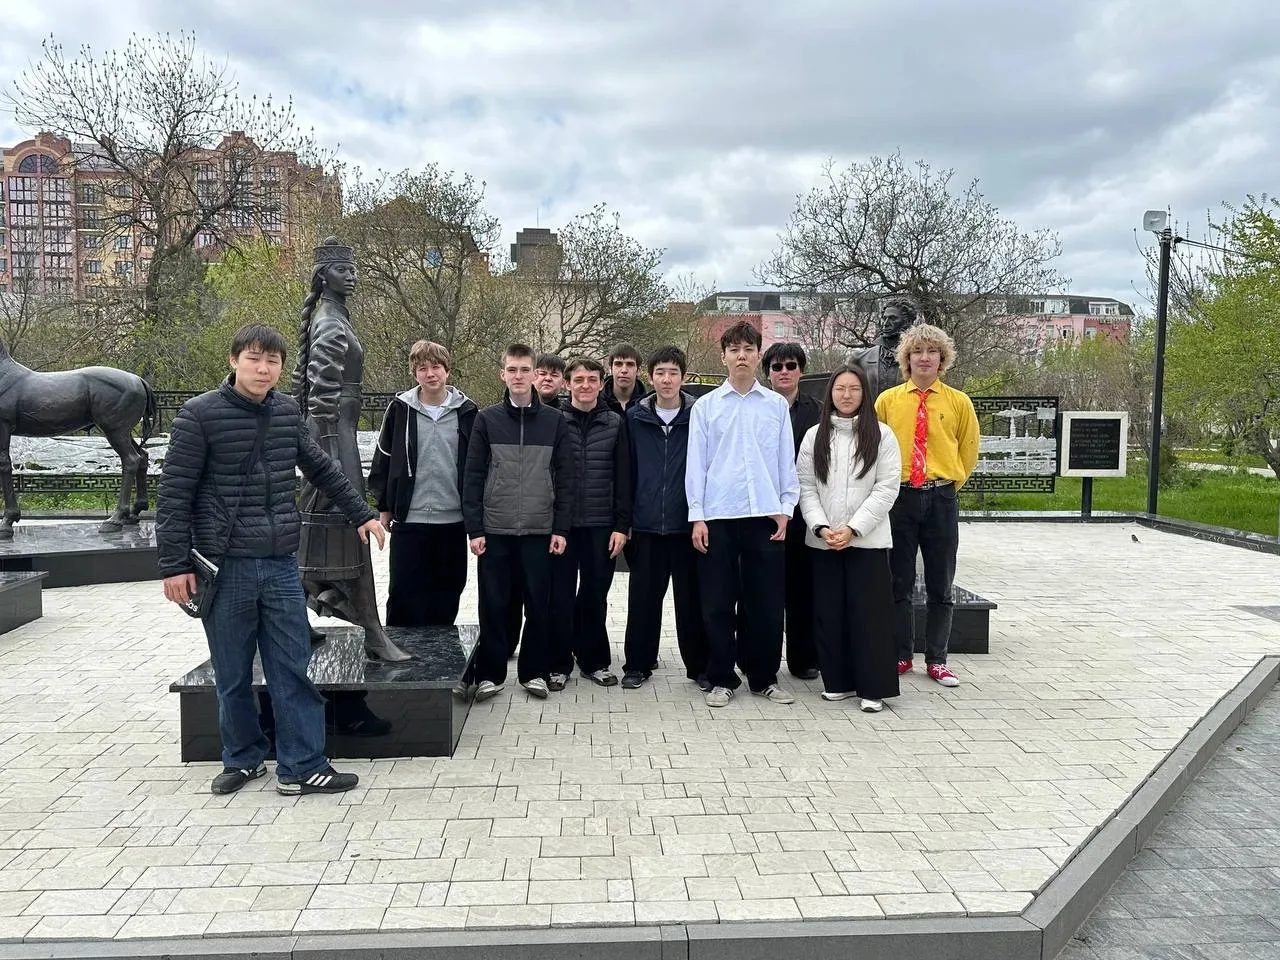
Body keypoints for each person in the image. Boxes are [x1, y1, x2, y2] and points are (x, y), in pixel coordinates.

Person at [157, 323, 384, 796]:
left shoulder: (284, 412)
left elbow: (321, 467)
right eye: (254, 358)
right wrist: (174, 565)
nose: (263, 369)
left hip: (281, 563)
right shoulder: (199, 415)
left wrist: (361, 513)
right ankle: (242, 759)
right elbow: (174, 495)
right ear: (234, 360)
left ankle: (302, 765)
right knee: (232, 673)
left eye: (272, 361)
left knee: (291, 668)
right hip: (226, 566)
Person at [292, 236, 408, 663]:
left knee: (320, 526)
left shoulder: (335, 317)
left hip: (337, 431)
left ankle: (299, 618)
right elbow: (320, 396)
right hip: (332, 436)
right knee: (343, 525)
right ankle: (372, 632)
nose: (352, 276)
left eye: (354, 269)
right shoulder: (329, 322)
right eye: (343, 270)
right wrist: (328, 456)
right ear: (324, 276)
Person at [686, 320, 799, 708]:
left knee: (765, 603)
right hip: (718, 515)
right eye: (734, 349)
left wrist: (785, 509)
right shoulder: (706, 407)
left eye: (748, 349)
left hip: (765, 515)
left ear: (758, 356)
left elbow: (785, 461)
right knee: (718, 603)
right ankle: (721, 678)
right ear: (723, 356)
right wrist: (697, 516)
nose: (741, 356)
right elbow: (696, 465)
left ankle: (763, 677)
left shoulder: (775, 406)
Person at [462, 343, 575, 701]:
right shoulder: (487, 419)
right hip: (495, 529)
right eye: (512, 370)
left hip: (540, 530)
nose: (519, 376)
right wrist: (475, 528)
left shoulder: (554, 421)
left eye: (525, 369)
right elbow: (473, 476)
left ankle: (534, 673)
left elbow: (566, 478)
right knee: (494, 605)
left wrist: (561, 528)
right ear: (503, 374)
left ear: (535, 374)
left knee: (538, 605)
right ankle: (490, 675)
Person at [874, 323, 979, 687]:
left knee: (941, 583)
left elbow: (968, 449)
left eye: (931, 351)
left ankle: (937, 659)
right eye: (917, 351)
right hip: (899, 498)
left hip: (941, 497)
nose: (924, 358)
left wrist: (947, 485)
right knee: (898, 582)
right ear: (906, 358)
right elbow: (875, 448)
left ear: (941, 358)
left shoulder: (958, 402)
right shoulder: (888, 401)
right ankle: (901, 654)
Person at [797, 364, 901, 712]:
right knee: (829, 613)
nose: (846, 395)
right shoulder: (815, 436)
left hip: (867, 542)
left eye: (854, 389)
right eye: (840, 388)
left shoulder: (882, 435)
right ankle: (838, 681)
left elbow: (886, 489)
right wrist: (821, 526)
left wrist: (854, 528)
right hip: (824, 541)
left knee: (869, 615)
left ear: (864, 394)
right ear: (830, 393)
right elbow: (806, 487)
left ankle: (873, 687)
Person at [368, 340, 478, 627]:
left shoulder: (467, 412)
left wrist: (476, 515)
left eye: (436, 367)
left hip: (453, 521)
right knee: (404, 596)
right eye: (422, 368)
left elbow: (478, 466)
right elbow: (383, 459)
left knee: (447, 595)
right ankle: (399, 652)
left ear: (447, 371)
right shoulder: (400, 409)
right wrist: (384, 506)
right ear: (414, 373)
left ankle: (441, 654)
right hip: (410, 520)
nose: (430, 374)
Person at [621, 345, 707, 690]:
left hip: (686, 526)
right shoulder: (635, 418)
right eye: (660, 373)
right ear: (651, 376)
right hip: (645, 526)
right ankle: (637, 665)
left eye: (673, 373)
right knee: (643, 600)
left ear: (683, 377)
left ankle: (699, 667)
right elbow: (626, 472)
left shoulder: (699, 416)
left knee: (691, 602)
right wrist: (625, 521)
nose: (666, 379)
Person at [548, 357, 631, 689]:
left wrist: (622, 526)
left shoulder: (615, 423)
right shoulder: (553, 420)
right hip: (562, 526)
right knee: (560, 596)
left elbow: (624, 477)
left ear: (601, 383)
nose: (585, 385)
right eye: (579, 379)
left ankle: (594, 661)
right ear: (568, 383)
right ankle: (558, 664)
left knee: (595, 595)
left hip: (601, 525)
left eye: (592, 379)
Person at [762, 341, 823, 681]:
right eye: (776, 366)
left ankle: (803, 659)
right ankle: (760, 659)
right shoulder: (758, 407)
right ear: (767, 372)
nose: (784, 372)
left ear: (801, 370)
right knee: (764, 593)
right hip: (764, 512)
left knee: (802, 591)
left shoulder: (819, 411)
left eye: (790, 366)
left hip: (804, 512)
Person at [850, 297, 918, 403]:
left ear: (907, 321)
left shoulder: (919, 359)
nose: (885, 323)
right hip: (871, 413)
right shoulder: (860, 358)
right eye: (884, 318)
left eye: (892, 318)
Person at [602, 343, 649, 414]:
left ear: (638, 370)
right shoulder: (596, 403)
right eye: (618, 364)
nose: (624, 370)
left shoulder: (648, 406)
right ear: (610, 369)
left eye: (630, 364)